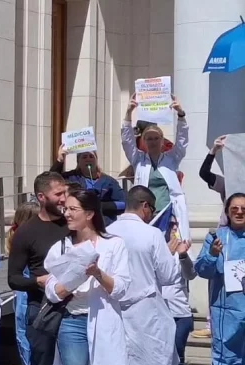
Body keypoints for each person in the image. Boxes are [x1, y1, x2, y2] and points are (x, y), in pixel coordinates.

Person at [44, 189, 133, 365]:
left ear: (90, 214)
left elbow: (122, 288)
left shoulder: (114, 244)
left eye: (73, 209)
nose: (67, 214)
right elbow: (51, 290)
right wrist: (68, 285)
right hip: (72, 322)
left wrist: (97, 273)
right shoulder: (61, 247)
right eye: (66, 209)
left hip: (105, 321)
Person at [107, 186, 187, 365]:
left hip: (116, 312)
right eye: (152, 209)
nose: (152, 214)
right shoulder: (151, 234)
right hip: (146, 312)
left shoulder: (108, 231)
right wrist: (170, 253)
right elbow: (168, 275)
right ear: (144, 207)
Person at [7, 172, 69, 365]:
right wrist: (37, 281)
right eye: (59, 194)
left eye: (65, 192)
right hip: (41, 309)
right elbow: (13, 278)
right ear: (42, 197)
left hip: (74, 307)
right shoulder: (27, 232)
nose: (64, 198)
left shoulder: (73, 223)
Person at [194, 192, 245, 365]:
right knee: (227, 363)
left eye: (243, 208)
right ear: (227, 212)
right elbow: (202, 270)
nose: (239, 212)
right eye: (234, 208)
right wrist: (213, 254)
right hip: (228, 313)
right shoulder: (215, 237)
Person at [122, 94, 189, 239]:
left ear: (162, 141)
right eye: (149, 139)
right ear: (144, 141)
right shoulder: (138, 160)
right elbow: (127, 142)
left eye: (156, 138)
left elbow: (182, 141)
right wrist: (128, 113)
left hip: (168, 216)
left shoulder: (171, 158)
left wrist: (181, 115)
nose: (153, 142)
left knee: (170, 252)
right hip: (145, 217)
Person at [192, 135, 228, 339]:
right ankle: (211, 323)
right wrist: (213, 150)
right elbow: (204, 173)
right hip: (225, 235)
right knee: (215, 276)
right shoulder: (227, 183)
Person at [6, 202, 41, 365]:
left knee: (27, 344)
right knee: (28, 343)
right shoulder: (22, 238)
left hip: (24, 296)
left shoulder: (16, 235)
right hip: (27, 295)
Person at [51, 147, 125, 225]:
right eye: (84, 157)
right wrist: (59, 161)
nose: (88, 159)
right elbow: (51, 180)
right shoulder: (70, 177)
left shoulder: (109, 181)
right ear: (78, 162)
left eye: (91, 156)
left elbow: (123, 204)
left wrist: (100, 206)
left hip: (104, 226)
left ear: (96, 160)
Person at [161, 215, 197, 365]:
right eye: (171, 224)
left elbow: (191, 274)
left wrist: (183, 255)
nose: (175, 228)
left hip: (180, 314)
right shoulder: (154, 248)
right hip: (160, 312)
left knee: (177, 355)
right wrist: (166, 253)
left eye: (176, 224)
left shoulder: (183, 249)